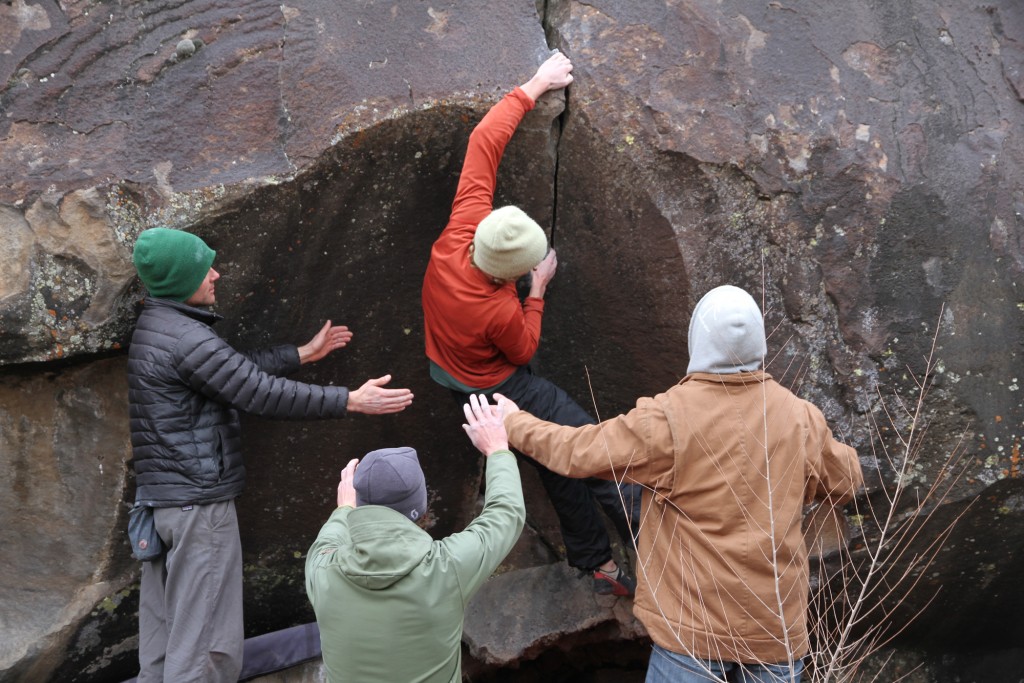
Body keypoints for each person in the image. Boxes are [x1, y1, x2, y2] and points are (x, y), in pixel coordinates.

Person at [495, 285, 865, 683]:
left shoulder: (668, 418)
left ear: (698, 341)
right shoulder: (801, 419)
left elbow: (576, 452)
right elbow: (847, 480)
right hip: (775, 632)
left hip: (693, 638)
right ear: (759, 342)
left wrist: (513, 423)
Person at [127, 226, 414, 682]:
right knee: (206, 651)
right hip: (199, 509)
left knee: (164, 647)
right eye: (206, 269)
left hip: (166, 505)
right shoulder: (185, 338)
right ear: (183, 280)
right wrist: (350, 400)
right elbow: (258, 392)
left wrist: (300, 354)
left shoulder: (159, 327)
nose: (217, 274)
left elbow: (229, 372)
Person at [421, 50, 639, 596]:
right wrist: (536, 293)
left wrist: (534, 84)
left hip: (455, 384)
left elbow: (482, 143)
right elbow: (521, 350)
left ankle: (596, 563)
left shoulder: (462, 231)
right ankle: (658, 532)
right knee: (585, 445)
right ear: (510, 275)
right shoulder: (498, 307)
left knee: (553, 460)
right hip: (501, 389)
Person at [304, 394, 525, 683]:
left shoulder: (322, 571)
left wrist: (344, 510)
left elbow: (328, 539)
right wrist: (497, 449)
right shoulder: (448, 568)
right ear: (420, 508)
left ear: (359, 502)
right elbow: (506, 514)